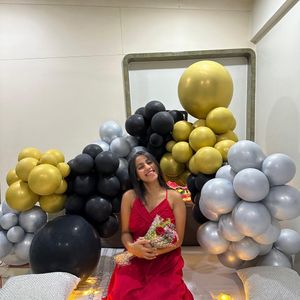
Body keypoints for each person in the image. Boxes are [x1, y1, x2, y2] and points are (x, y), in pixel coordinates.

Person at [104, 151, 194, 300]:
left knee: (161, 295)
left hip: (165, 258)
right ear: (136, 176)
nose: (147, 167)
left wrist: (152, 252)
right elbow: (125, 233)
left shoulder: (174, 197)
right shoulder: (129, 197)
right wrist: (133, 248)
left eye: (149, 162)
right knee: (122, 294)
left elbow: (178, 241)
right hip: (135, 257)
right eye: (140, 166)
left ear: (156, 165)